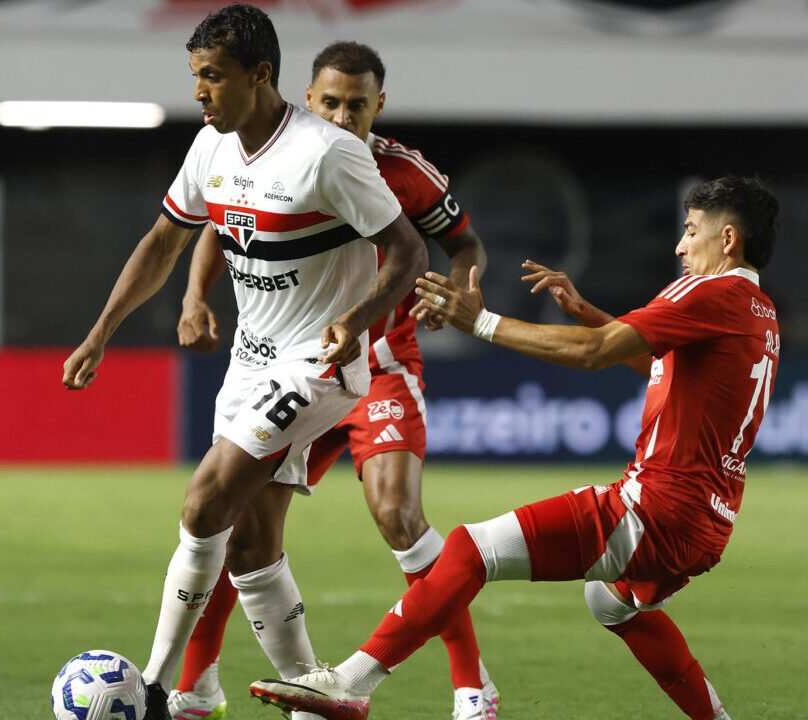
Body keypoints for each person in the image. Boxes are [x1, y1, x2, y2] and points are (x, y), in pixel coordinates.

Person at [248, 175, 779, 720]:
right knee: (611, 601)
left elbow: (596, 354)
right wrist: (592, 315)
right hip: (708, 526)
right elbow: (662, 368)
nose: (680, 245)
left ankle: (351, 684)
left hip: (655, 509)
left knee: (470, 549)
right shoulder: (760, 314)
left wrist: (480, 322)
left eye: (691, 232)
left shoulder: (709, 290)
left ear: (729, 239)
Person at [60, 6, 429, 720]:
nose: (199, 92)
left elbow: (411, 250)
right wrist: (102, 331)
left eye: (212, 78)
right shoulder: (211, 149)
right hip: (249, 365)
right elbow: (164, 242)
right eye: (196, 77)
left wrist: (354, 320)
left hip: (318, 365)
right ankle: (316, 697)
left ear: (260, 76)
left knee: (203, 502)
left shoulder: (329, 153)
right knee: (252, 547)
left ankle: (152, 691)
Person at [170, 41, 497, 720]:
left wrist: (459, 291)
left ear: (380, 105)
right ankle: (197, 687)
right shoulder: (282, 155)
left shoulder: (405, 172)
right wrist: (194, 297)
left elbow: (463, 242)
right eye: (331, 102)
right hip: (296, 364)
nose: (344, 116)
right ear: (306, 98)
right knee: (233, 522)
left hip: (380, 367)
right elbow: (218, 222)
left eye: (358, 104)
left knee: (398, 518)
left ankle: (472, 686)